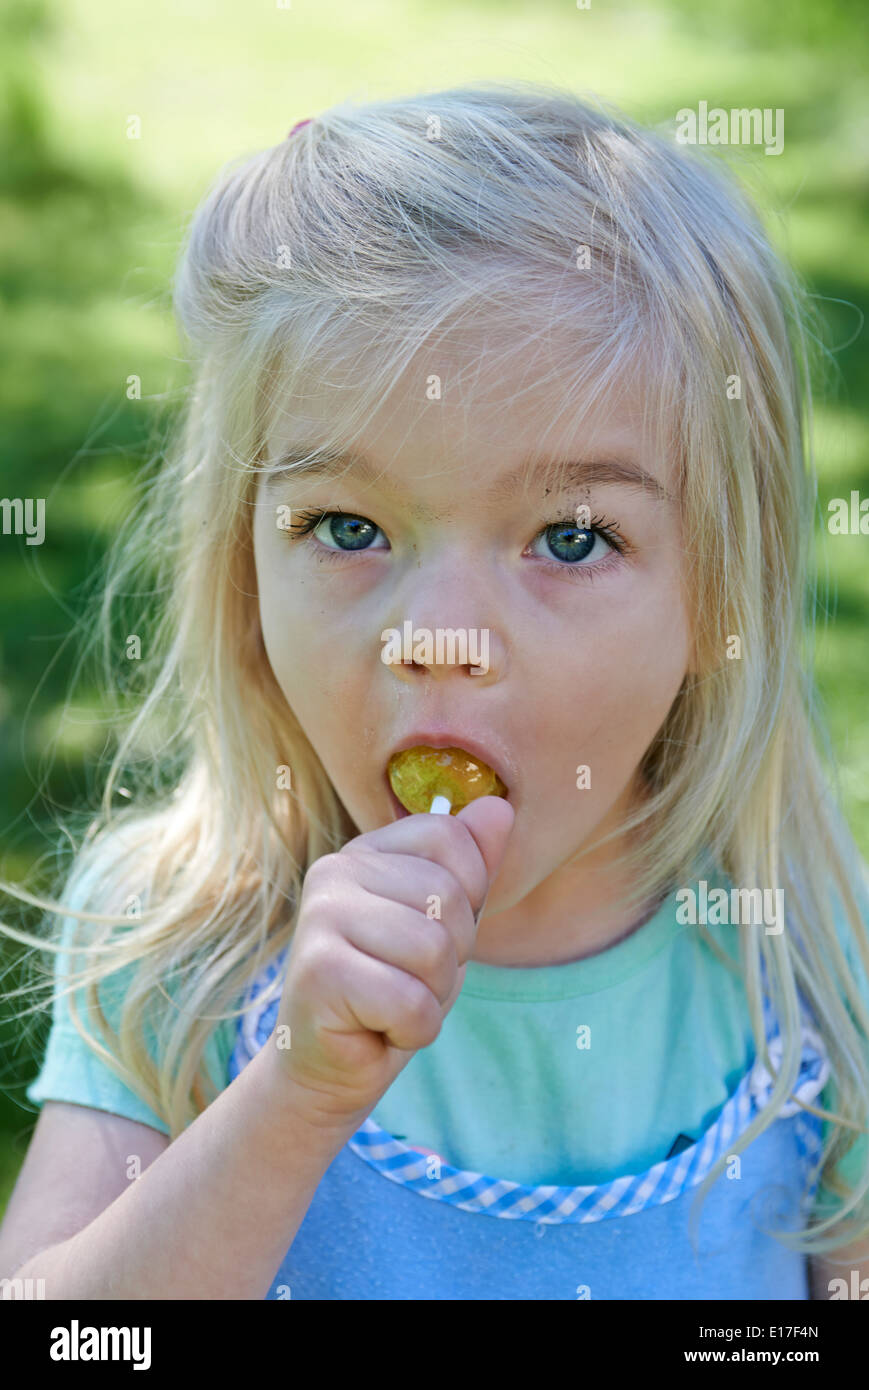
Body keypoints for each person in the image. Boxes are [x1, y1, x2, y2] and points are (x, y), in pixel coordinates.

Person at [1, 81, 868, 1300]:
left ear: (721, 596)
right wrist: (290, 1103)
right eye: (346, 523)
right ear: (244, 567)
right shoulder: (174, 944)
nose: (438, 640)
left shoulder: (813, 973)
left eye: (567, 540)